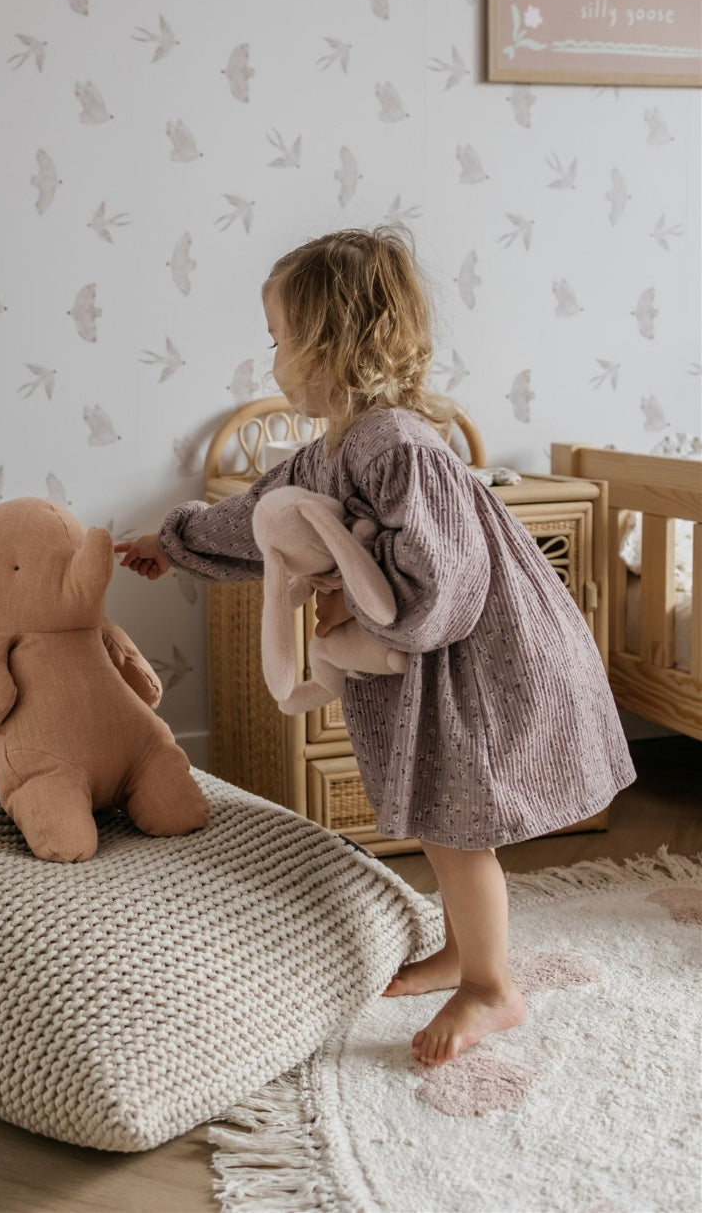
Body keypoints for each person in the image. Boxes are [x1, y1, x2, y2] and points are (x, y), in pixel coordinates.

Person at [115, 227, 635, 1067]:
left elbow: (444, 583)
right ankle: (467, 952)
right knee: (442, 819)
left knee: (460, 827)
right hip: (430, 667)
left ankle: (493, 989)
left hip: (472, 664)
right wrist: (172, 542)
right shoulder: (330, 451)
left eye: (280, 337)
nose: (272, 354)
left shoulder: (396, 445)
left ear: (329, 342)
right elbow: (257, 516)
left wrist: (359, 620)